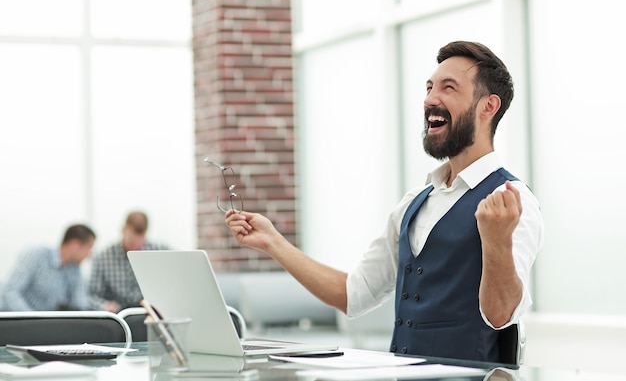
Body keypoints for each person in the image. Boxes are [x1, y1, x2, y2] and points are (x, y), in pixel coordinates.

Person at [225, 41, 544, 362]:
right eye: (430, 87)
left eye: (449, 88)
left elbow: (501, 316)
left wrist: (497, 243)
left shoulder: (512, 201)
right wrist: (272, 242)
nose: (431, 99)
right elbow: (352, 295)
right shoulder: (414, 203)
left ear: (487, 107)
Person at [0, 224, 96, 311]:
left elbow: (79, 304)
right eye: (89, 248)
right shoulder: (36, 255)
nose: (88, 255)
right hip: (15, 322)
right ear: (75, 244)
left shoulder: (74, 269)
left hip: (44, 325)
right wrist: (32, 319)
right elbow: (10, 291)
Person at [88, 211, 169, 312]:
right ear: (123, 230)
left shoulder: (160, 253)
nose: (135, 247)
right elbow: (91, 296)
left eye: (140, 242)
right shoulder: (103, 257)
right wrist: (104, 306)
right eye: (131, 241)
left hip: (149, 315)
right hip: (117, 318)